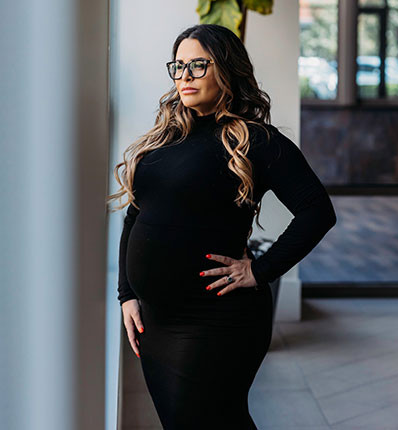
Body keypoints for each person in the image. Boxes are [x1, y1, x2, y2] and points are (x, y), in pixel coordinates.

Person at [107, 23, 336, 430]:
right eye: (178, 67)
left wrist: (260, 270)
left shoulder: (256, 140)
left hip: (215, 319)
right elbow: (136, 214)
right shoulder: (166, 138)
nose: (185, 77)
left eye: (198, 65)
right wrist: (127, 294)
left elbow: (317, 211)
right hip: (156, 320)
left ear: (226, 69)